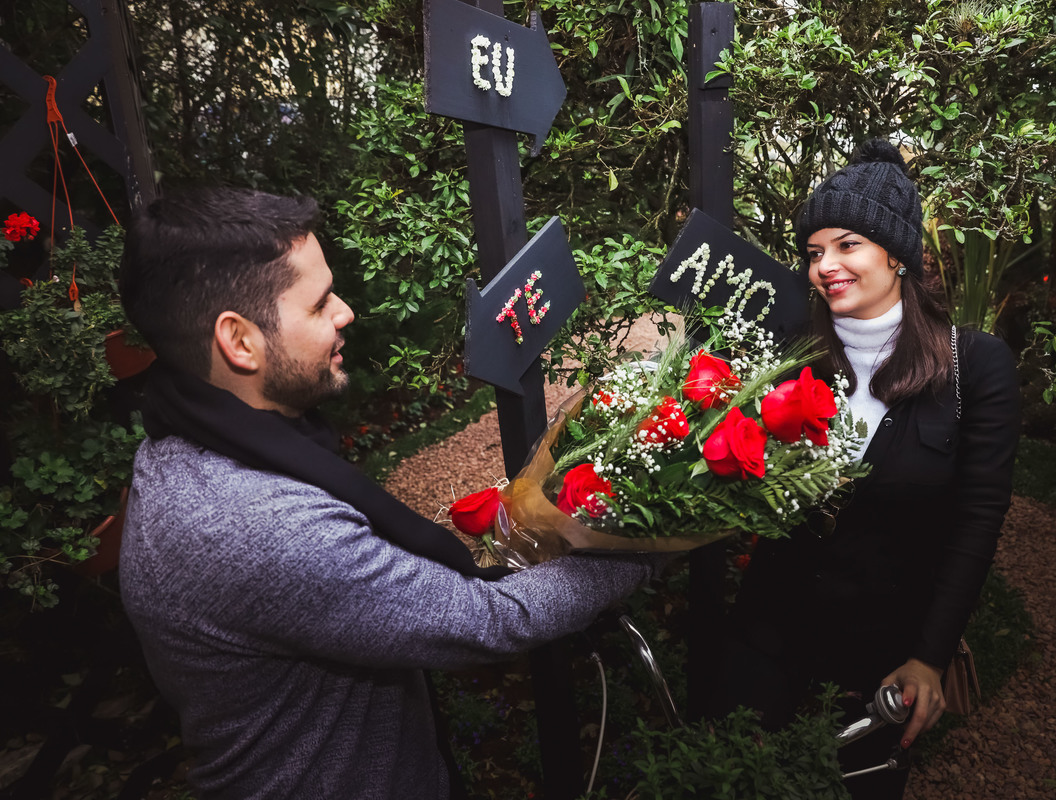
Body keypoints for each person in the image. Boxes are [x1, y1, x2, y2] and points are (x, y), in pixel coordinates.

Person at [117, 187, 661, 799]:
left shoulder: (187, 443)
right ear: (239, 341)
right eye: (320, 304)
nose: (345, 311)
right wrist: (645, 543)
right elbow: (488, 619)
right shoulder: (261, 527)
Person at [722, 139, 1020, 798]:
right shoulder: (794, 357)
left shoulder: (976, 367)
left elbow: (976, 524)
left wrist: (930, 657)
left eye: (847, 244)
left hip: (883, 655)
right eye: (814, 251)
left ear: (898, 254)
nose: (825, 265)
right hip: (768, 634)